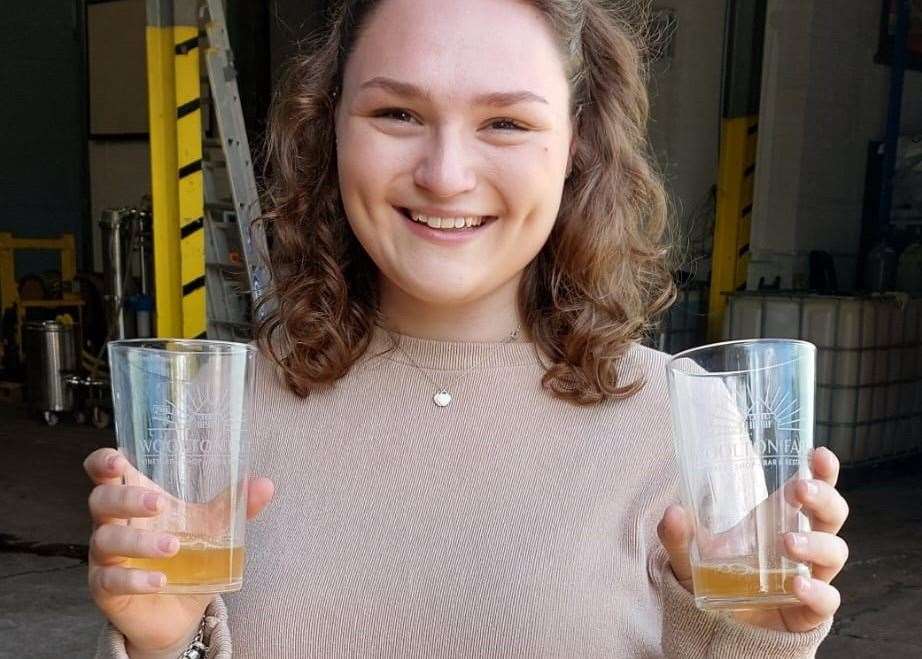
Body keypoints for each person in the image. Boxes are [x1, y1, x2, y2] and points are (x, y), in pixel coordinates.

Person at [86, 0, 850, 656]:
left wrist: (754, 643)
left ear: (577, 142)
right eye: (397, 113)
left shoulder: (676, 420)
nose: (445, 173)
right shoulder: (222, 413)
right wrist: (162, 643)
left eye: (507, 122)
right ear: (331, 128)